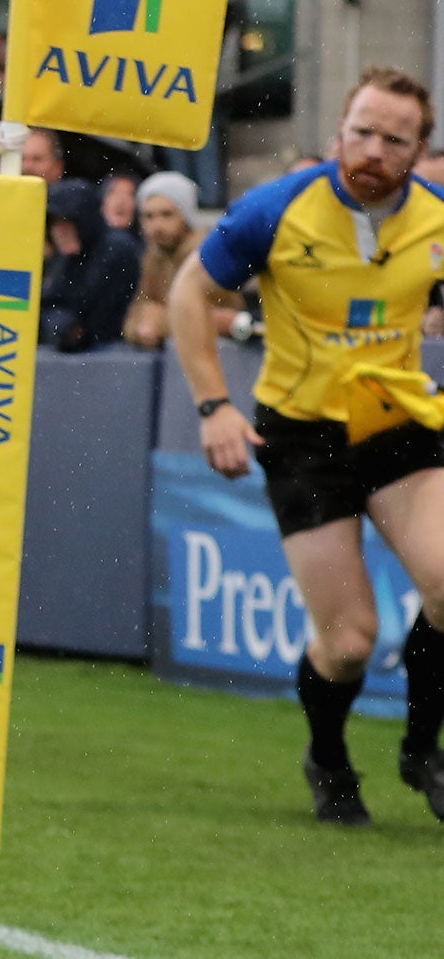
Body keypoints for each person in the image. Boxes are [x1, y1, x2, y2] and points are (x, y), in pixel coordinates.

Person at [170, 66, 444, 825]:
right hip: (303, 435)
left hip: (398, 422)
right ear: (337, 133)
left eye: (395, 138)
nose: (374, 148)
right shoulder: (275, 210)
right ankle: (328, 757)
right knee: (350, 641)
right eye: (362, 130)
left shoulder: (438, 217)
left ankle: (424, 750)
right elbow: (188, 293)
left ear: (420, 151)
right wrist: (214, 406)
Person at [122, 172, 241, 349]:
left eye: (167, 214)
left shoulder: (205, 253)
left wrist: (157, 322)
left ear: (186, 215)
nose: (157, 225)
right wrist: (145, 324)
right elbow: (133, 320)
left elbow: (219, 320)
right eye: (149, 216)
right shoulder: (153, 256)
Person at [39, 179, 141, 352]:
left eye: (67, 221)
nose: (59, 231)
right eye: (54, 223)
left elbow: (89, 325)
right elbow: (50, 305)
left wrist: (61, 325)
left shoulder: (117, 249)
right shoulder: (68, 257)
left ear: (84, 221)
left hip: (114, 353)